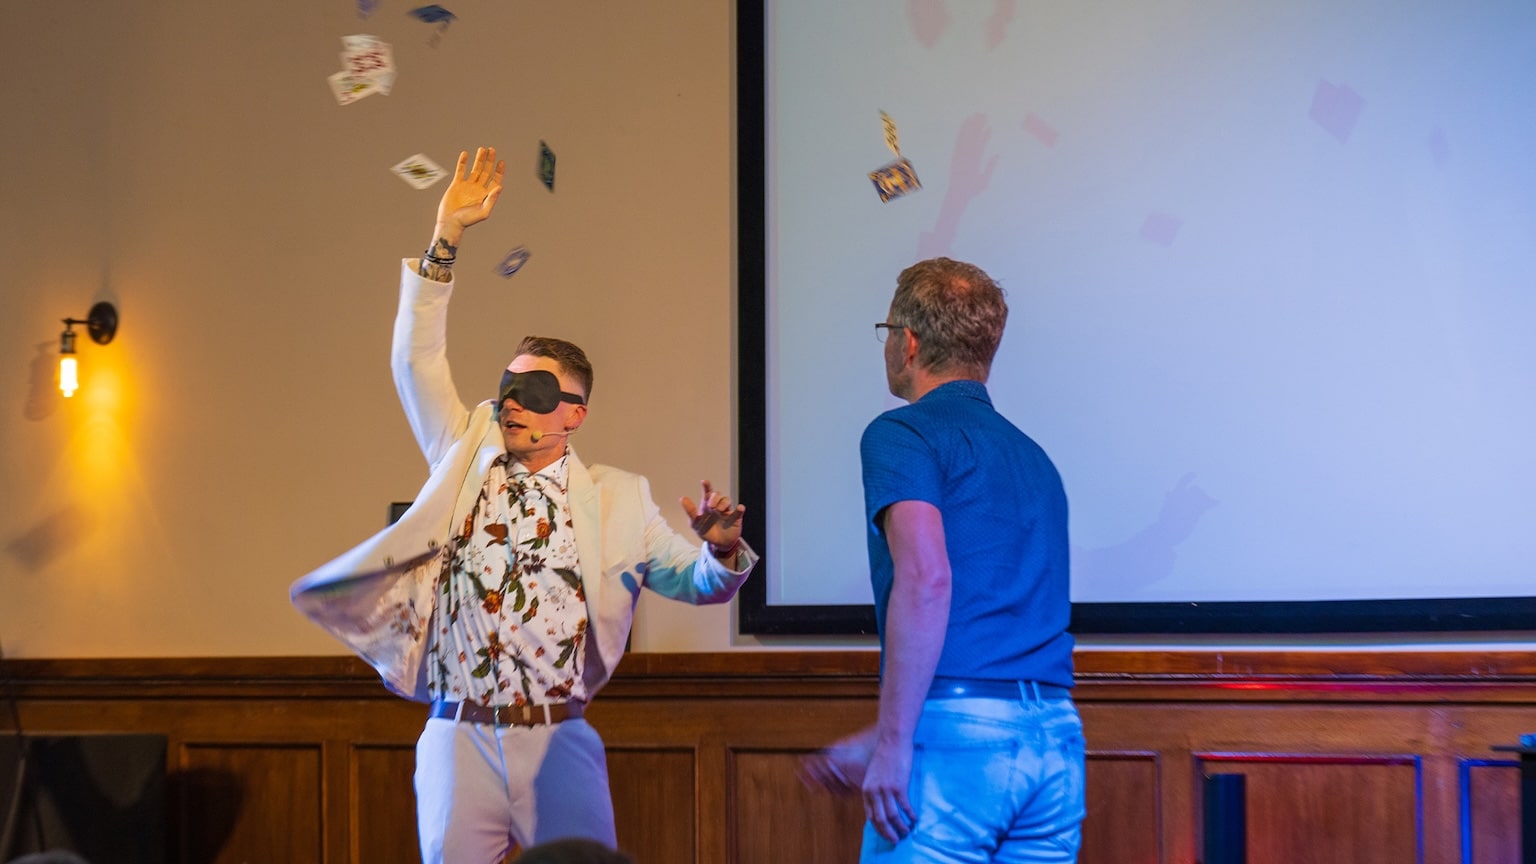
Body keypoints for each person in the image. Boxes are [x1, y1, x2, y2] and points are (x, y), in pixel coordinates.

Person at [290, 147, 756, 863]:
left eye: (535, 393)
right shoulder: (462, 453)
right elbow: (414, 361)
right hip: (459, 735)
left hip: (559, 737)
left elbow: (696, 582)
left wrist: (720, 547)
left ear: (575, 414)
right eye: (508, 387)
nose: (512, 403)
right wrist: (446, 236)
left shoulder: (620, 499)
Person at [800, 258, 1085, 862]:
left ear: (907, 343)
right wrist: (881, 734)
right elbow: (993, 631)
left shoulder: (903, 434)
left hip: (958, 740)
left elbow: (927, 580)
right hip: (1056, 739)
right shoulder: (1037, 460)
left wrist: (895, 745)